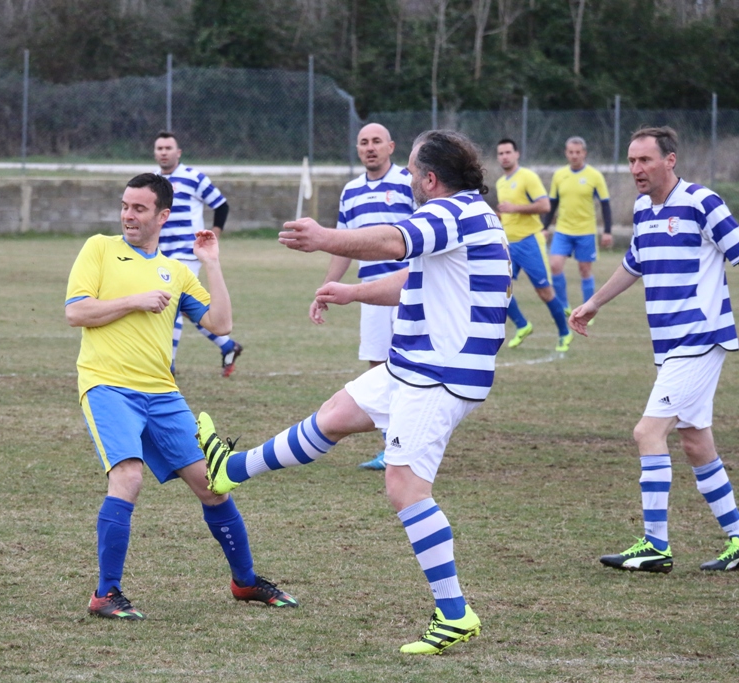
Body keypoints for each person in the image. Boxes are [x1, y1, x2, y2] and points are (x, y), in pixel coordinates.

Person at [198, 130, 511, 654]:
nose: (409, 180)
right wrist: (351, 292)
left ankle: (454, 613)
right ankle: (230, 469)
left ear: (431, 179)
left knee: (404, 488)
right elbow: (413, 278)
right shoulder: (464, 216)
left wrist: (323, 237)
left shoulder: (452, 213)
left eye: (412, 172)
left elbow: (392, 242)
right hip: (415, 362)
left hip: (440, 373)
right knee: (335, 416)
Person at [65, 173, 298, 620]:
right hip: (108, 385)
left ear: (162, 215)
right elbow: (76, 311)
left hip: (163, 394)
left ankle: (245, 584)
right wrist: (134, 300)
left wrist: (211, 261)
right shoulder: (99, 248)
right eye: (125, 206)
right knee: (128, 479)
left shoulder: (176, 271)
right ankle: (105, 594)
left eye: (138, 208)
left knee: (213, 486)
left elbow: (221, 325)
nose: (127, 215)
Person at [569, 127, 739, 573]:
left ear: (670, 160)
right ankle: (738, 539)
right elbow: (633, 265)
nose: (636, 169)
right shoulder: (643, 210)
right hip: (670, 345)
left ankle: (655, 545)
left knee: (647, 433)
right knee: (697, 443)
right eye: (631, 161)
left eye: (645, 160)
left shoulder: (703, 202)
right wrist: (592, 303)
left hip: (699, 338)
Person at [311, 122, 415, 471]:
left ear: (391, 146)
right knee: (377, 368)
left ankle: (411, 443)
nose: (370, 147)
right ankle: (393, 447)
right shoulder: (351, 191)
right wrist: (326, 288)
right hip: (368, 293)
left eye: (376, 142)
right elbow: (342, 245)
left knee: (408, 366)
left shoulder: (407, 182)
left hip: (407, 289)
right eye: (363, 142)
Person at [154, 131, 243, 377]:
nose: (163, 152)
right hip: (161, 255)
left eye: (168, 148)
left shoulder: (193, 177)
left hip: (187, 254)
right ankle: (227, 345)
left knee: (171, 305)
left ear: (178, 152)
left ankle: (167, 367)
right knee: (184, 306)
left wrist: (213, 235)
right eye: (159, 148)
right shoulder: (152, 181)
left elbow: (221, 204)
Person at [495, 138, 573, 352]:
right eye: (500, 153)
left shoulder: (527, 177)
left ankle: (565, 333)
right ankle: (522, 325)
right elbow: (509, 213)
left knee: (544, 292)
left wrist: (514, 208)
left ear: (517, 154)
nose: (504, 156)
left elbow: (545, 205)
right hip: (509, 244)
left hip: (530, 241)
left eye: (508, 152)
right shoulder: (501, 182)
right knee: (500, 288)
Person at [543, 136, 613, 315]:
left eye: (578, 152)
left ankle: (588, 308)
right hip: (563, 230)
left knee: (584, 270)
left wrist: (607, 231)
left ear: (584, 154)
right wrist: (545, 227)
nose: (574, 156)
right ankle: (564, 306)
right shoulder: (559, 175)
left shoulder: (594, 176)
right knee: (555, 265)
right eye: (571, 152)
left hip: (586, 231)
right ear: (566, 153)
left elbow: (605, 204)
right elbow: (553, 203)